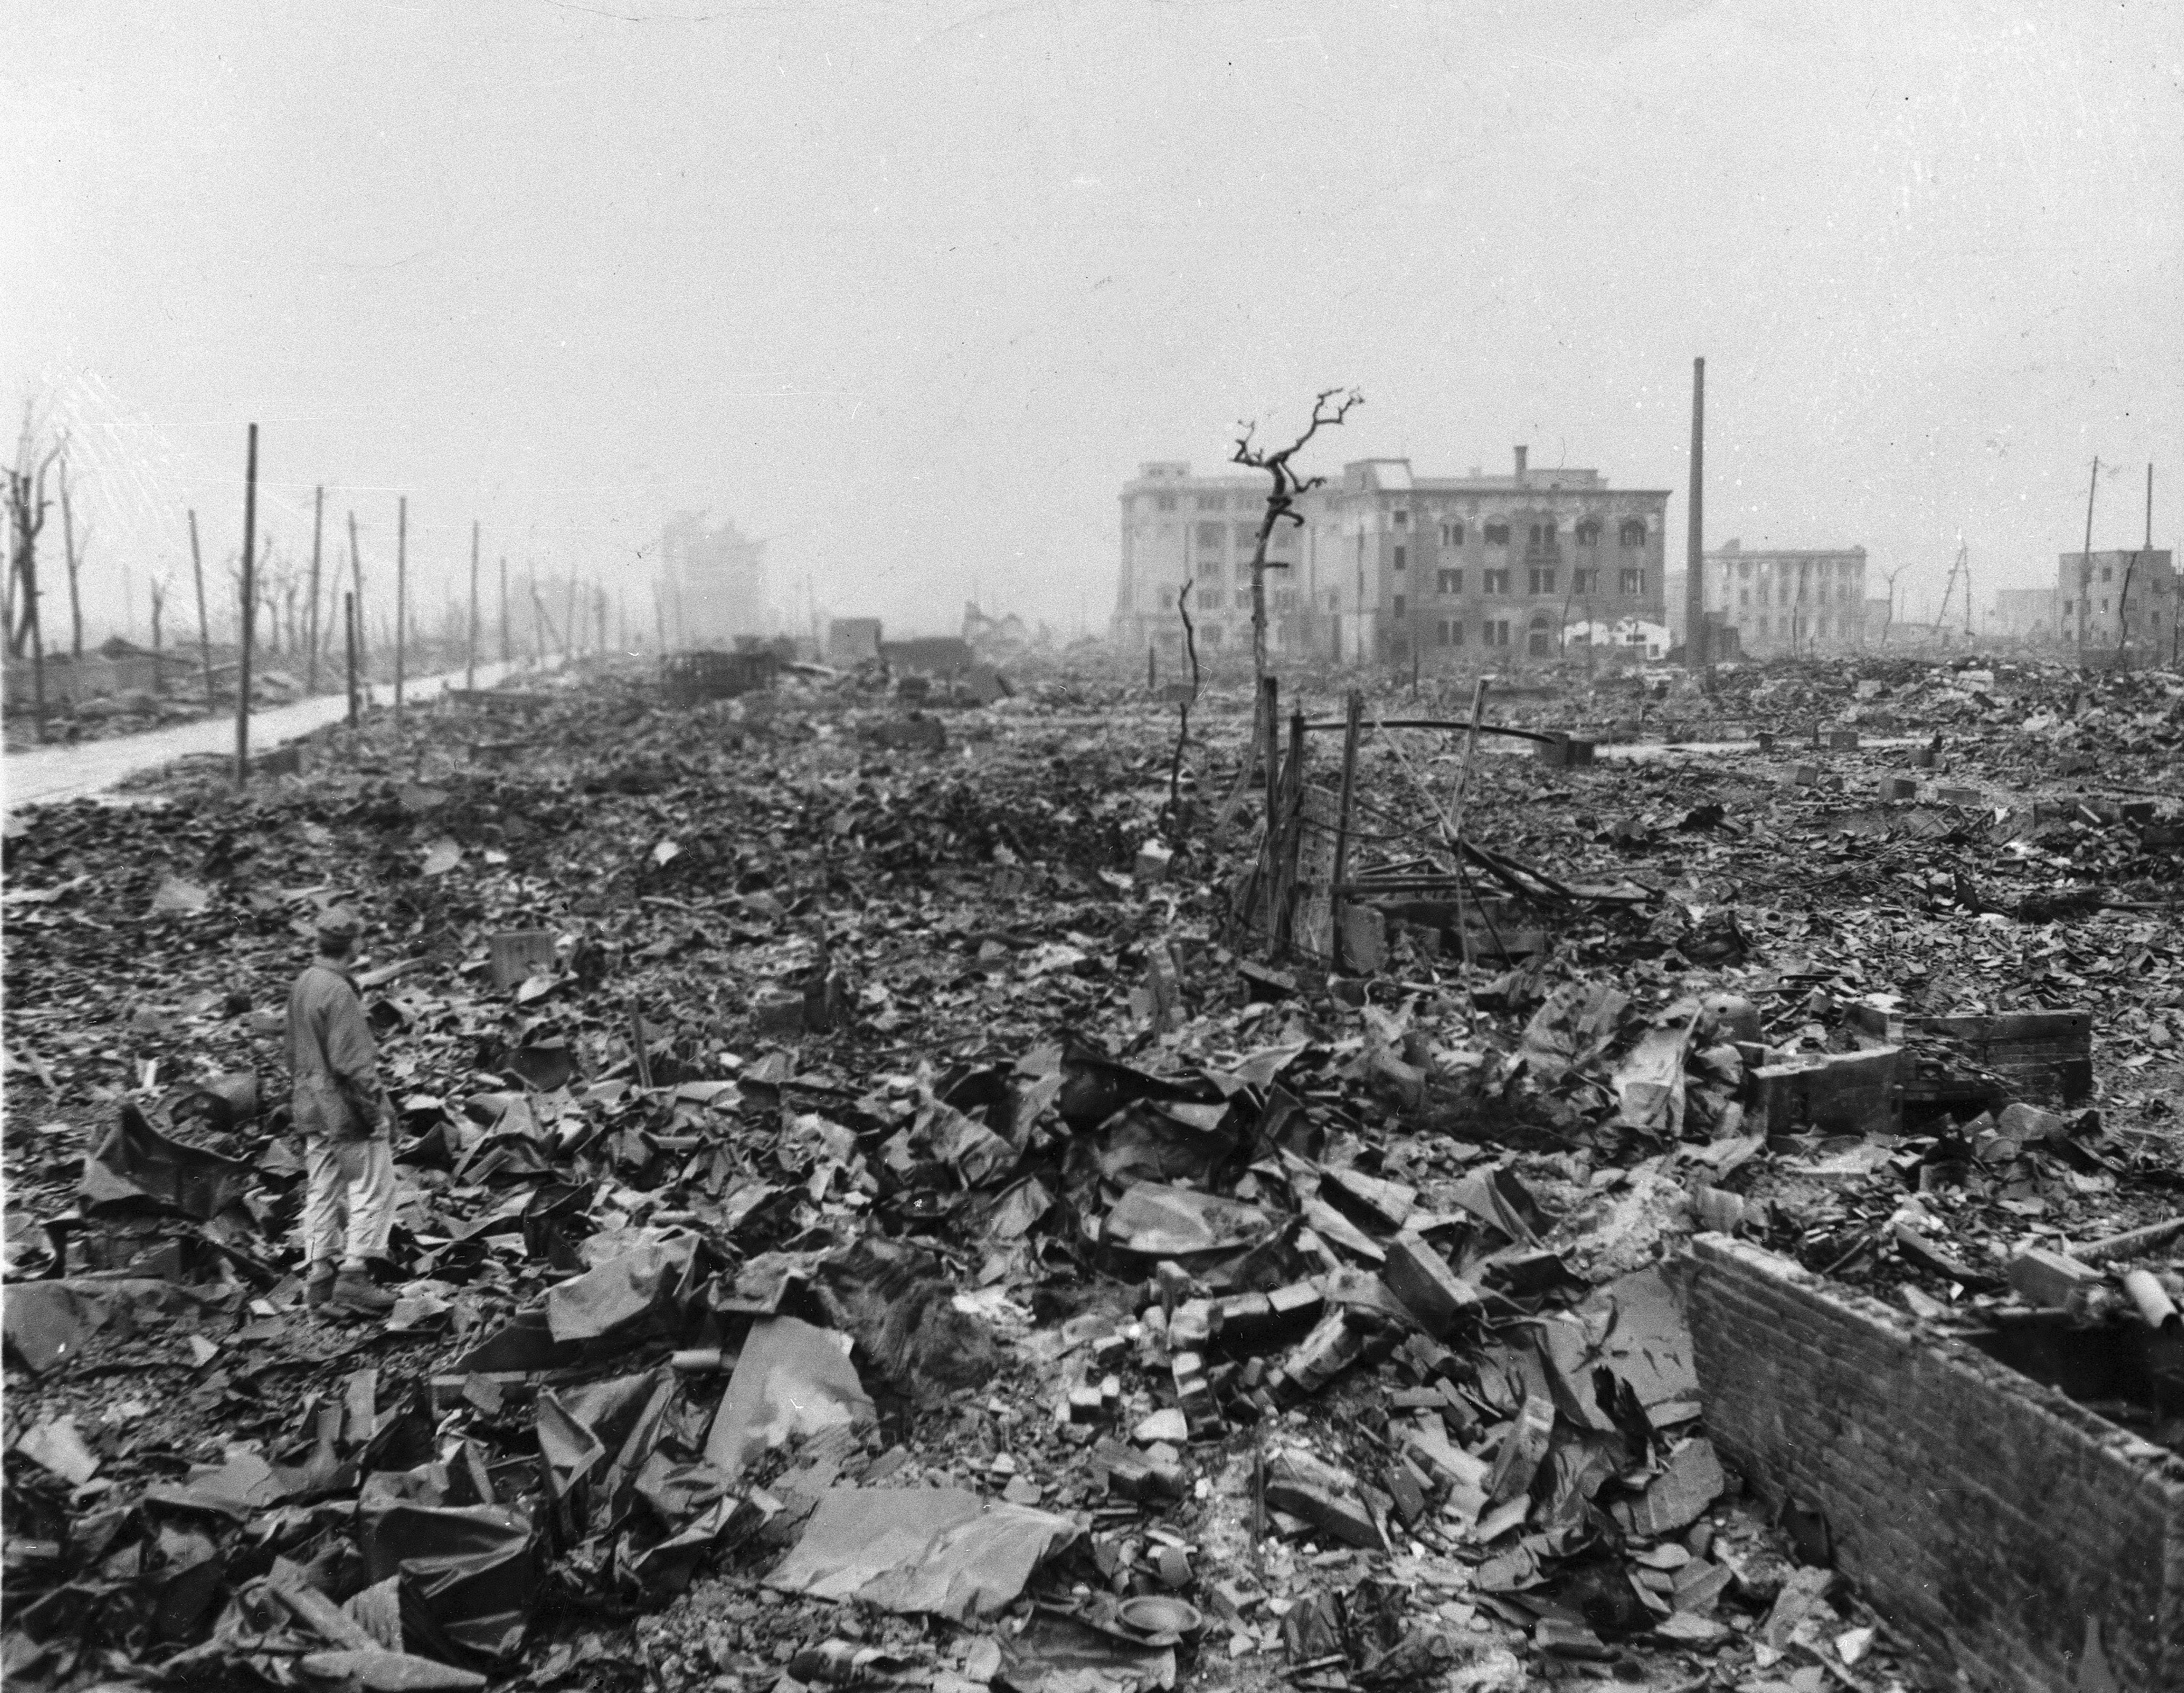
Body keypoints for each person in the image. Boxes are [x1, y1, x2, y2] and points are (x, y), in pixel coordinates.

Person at [286, 906, 398, 1316]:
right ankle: (354, 1276)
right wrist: (377, 1112)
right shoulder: (339, 992)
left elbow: (293, 1051)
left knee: (322, 1189)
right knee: (374, 1185)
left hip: (310, 1106)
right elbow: (352, 1066)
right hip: (344, 1110)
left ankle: (319, 1279)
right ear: (352, 944)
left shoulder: (304, 983)